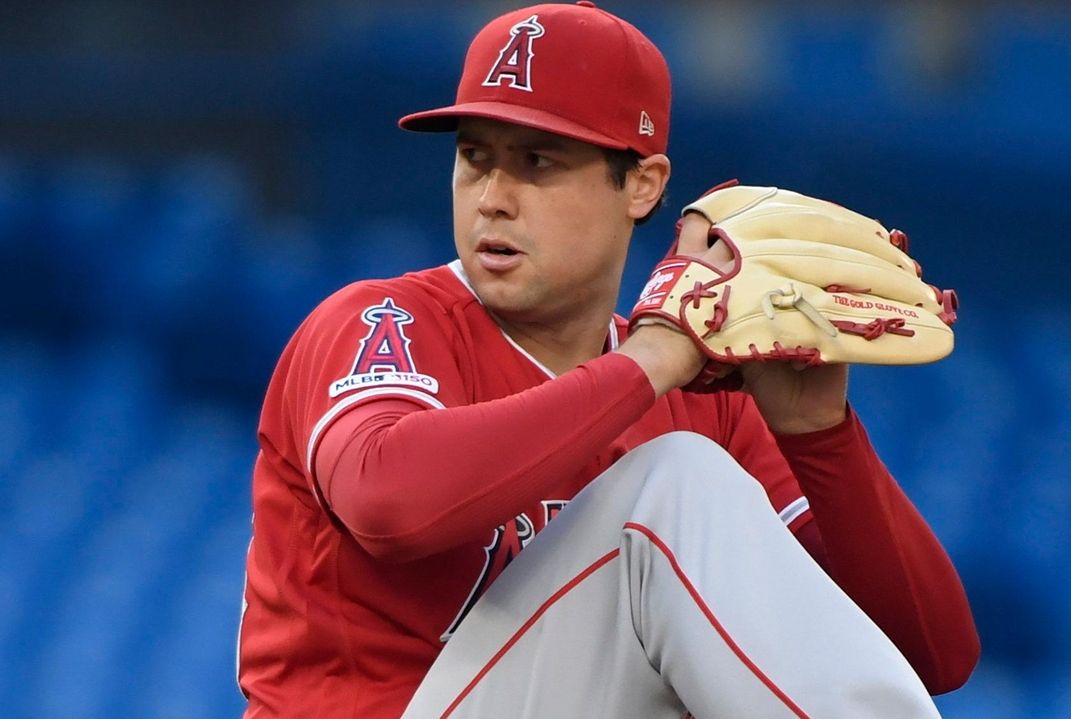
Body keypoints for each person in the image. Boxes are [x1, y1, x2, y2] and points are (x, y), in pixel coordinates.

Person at [238, 2, 980, 717]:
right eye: (474, 158)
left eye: (536, 162)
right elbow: (388, 503)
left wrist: (822, 435)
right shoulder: (383, 322)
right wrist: (652, 358)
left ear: (643, 185)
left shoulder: (709, 403)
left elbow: (929, 654)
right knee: (676, 480)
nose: (493, 197)